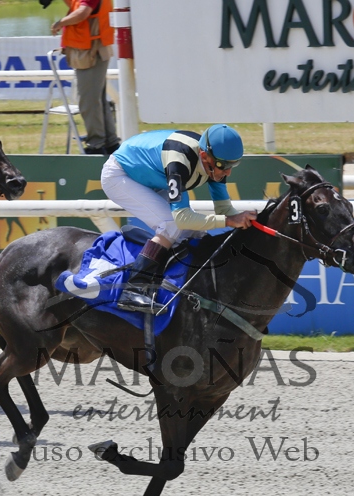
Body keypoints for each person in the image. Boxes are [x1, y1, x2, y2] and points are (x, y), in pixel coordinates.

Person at [100, 124, 258, 313]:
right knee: (171, 225)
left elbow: (224, 210)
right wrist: (229, 221)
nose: (228, 172)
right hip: (120, 174)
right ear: (203, 156)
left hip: (152, 175)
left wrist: (249, 222)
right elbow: (182, 218)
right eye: (223, 166)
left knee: (196, 233)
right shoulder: (180, 161)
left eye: (233, 165)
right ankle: (133, 289)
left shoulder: (216, 160)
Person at [49, 0, 121, 155]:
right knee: (97, 101)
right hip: (90, 51)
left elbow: (82, 13)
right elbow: (77, 6)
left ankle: (97, 144)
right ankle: (110, 143)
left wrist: (59, 23)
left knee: (89, 102)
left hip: (91, 53)